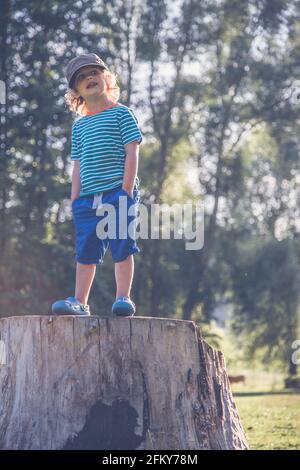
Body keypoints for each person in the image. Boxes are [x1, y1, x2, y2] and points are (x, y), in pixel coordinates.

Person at [51, 53, 143, 317]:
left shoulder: (122, 113)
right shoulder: (79, 127)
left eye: (94, 72)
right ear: (76, 91)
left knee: (122, 245)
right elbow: (77, 164)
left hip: (118, 192)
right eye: (82, 77)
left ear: (106, 78)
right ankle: (80, 301)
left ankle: (123, 297)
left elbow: (132, 152)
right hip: (87, 199)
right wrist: (75, 198)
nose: (89, 78)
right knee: (86, 251)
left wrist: (126, 189)